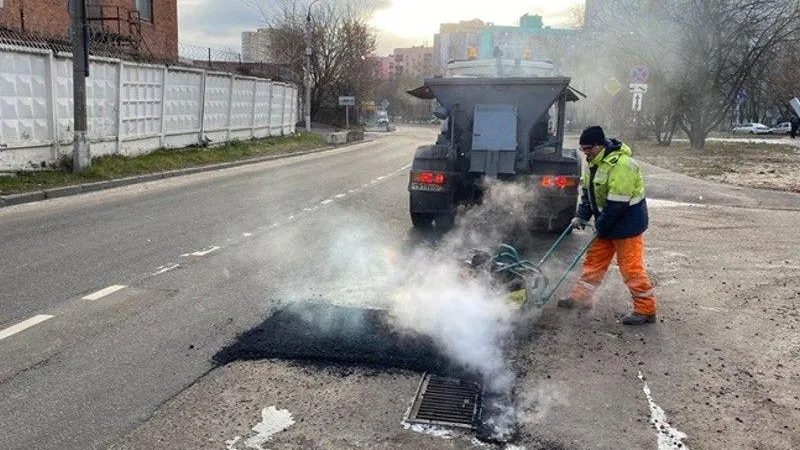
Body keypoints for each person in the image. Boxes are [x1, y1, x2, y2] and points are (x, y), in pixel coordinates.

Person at [558, 126, 657, 325]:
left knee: (631, 267)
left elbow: (618, 204)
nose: (585, 153)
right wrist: (581, 216)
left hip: (627, 225)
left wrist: (601, 225)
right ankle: (582, 298)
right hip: (607, 223)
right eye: (582, 149)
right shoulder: (593, 164)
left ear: (600, 145)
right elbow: (588, 195)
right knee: (594, 261)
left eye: (588, 148)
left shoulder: (622, 165)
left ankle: (646, 310)